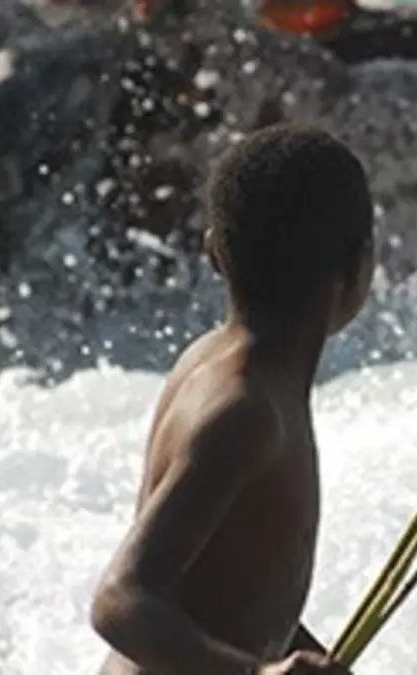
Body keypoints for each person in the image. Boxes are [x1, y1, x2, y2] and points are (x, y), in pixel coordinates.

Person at [90, 124, 375, 675]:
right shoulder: (244, 411)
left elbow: (230, 588)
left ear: (214, 252)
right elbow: (120, 600)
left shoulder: (232, 373)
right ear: (358, 264)